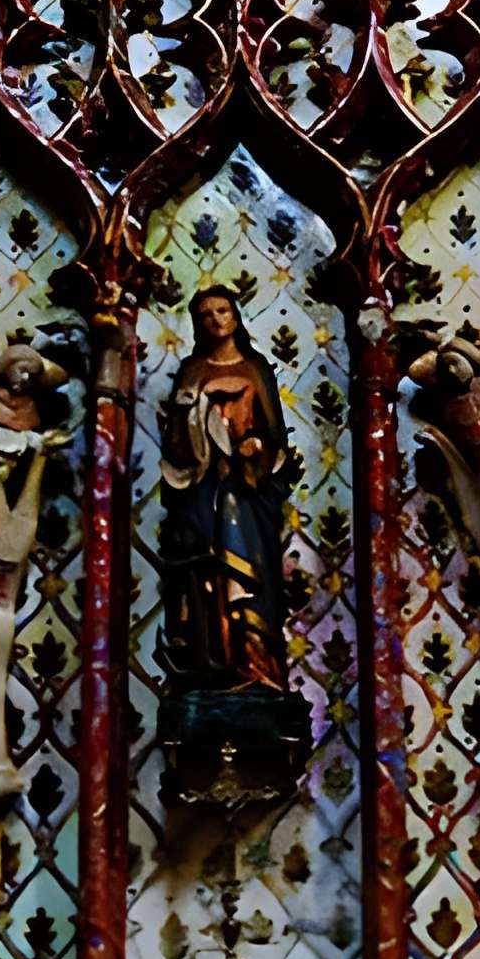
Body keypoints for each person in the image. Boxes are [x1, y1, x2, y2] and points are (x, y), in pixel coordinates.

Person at [158, 287, 291, 694]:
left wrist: (258, 448)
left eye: (222, 311)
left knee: (242, 540)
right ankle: (209, 657)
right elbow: (176, 441)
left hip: (249, 490)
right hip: (201, 488)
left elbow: (275, 436)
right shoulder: (192, 371)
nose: (216, 320)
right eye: (205, 315)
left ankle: (255, 658)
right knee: (201, 569)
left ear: (235, 317)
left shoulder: (256, 369)